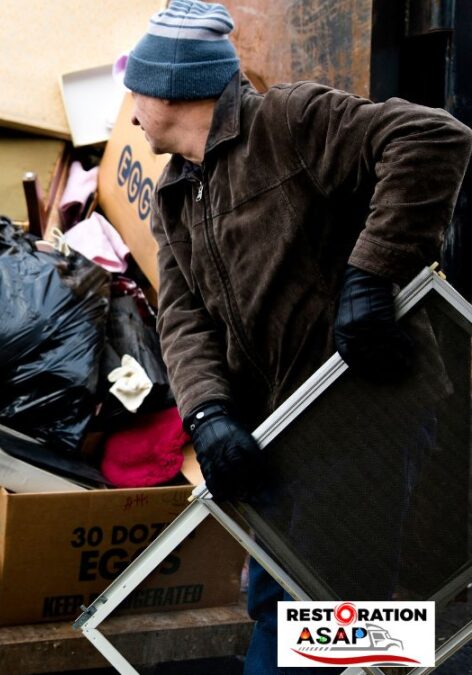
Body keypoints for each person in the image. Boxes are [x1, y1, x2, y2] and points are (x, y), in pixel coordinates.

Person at [122, 1, 472, 673]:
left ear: (169, 86)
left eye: (135, 85)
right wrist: (209, 413)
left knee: (334, 618)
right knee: (279, 603)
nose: (129, 104)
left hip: (360, 412)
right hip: (279, 431)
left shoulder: (285, 122)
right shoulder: (174, 194)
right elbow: (183, 316)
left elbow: (432, 139)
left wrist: (371, 275)